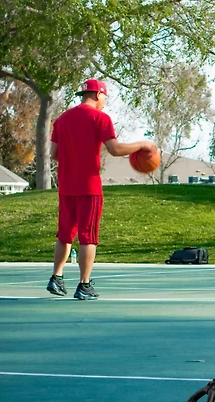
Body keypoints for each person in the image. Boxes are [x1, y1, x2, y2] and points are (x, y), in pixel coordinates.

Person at [46, 79, 158, 300]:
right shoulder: (100, 118)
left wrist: (73, 157)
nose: (105, 101)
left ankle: (56, 277)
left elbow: (54, 153)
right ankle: (84, 284)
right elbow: (115, 149)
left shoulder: (62, 120)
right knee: (88, 237)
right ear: (98, 94)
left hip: (66, 186)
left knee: (65, 235)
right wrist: (142, 145)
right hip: (89, 187)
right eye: (105, 97)